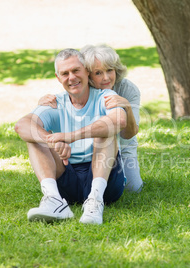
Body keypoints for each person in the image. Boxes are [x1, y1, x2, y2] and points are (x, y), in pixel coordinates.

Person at [14, 48, 127, 225]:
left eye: (76, 71)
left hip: (105, 181)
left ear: (86, 71)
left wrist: (70, 137)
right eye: (65, 73)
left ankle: (95, 202)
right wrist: (52, 141)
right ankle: (54, 200)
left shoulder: (105, 96)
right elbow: (22, 125)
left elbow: (119, 121)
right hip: (67, 178)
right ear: (58, 78)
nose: (71, 78)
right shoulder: (54, 103)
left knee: (106, 130)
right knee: (35, 138)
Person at [39, 44, 143, 192]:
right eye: (98, 73)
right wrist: (44, 104)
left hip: (124, 144)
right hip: (89, 147)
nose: (106, 78)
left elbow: (129, 134)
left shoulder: (128, 89)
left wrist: (126, 107)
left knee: (134, 188)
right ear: (88, 74)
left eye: (109, 70)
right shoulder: (84, 89)